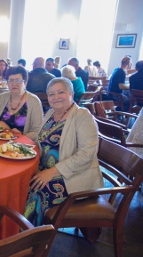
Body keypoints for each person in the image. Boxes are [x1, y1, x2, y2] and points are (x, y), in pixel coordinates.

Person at [23, 77, 103, 226]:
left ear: (71, 94)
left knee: (37, 192)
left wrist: (52, 171)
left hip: (75, 177)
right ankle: (11, 231)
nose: (56, 97)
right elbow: (40, 139)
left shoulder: (82, 116)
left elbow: (86, 154)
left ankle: (30, 242)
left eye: (61, 92)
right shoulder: (50, 114)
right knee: (19, 182)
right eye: (51, 94)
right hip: (46, 170)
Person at [0, 66, 43, 143]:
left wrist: (19, 137)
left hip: (22, 145)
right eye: (11, 80)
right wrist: (2, 124)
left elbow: (37, 131)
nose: (14, 84)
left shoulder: (34, 101)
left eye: (18, 80)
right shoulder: (2, 97)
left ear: (25, 83)